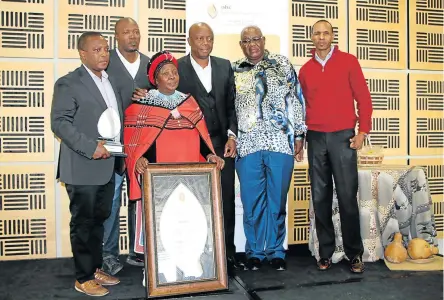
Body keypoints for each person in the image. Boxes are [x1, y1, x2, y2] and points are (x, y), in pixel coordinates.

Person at [132, 22, 241, 273]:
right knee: (192, 205)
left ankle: (226, 256)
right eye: (200, 38)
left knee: (224, 200)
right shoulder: (176, 67)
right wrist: (144, 96)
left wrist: (231, 136)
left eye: (209, 38)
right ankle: (192, 256)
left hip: (221, 145)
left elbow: (231, 105)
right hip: (189, 147)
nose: (205, 43)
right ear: (189, 41)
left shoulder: (225, 66)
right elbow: (160, 92)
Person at [123, 51, 225, 285]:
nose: (171, 77)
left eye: (174, 72)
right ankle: (160, 268)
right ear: (155, 79)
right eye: (165, 73)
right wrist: (138, 158)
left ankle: (189, 263)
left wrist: (209, 154)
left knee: (186, 221)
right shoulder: (143, 103)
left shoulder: (188, 102)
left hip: (189, 176)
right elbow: (138, 141)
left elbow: (201, 138)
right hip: (158, 178)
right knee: (162, 223)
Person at [298, 19, 373, 273]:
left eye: (325, 33)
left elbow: (363, 97)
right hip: (316, 137)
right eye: (317, 33)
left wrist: (363, 131)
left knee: (347, 197)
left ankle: (354, 253)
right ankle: (326, 252)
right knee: (320, 198)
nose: (321, 37)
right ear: (311, 37)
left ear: (332, 36)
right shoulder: (305, 70)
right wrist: (300, 139)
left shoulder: (349, 61)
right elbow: (301, 107)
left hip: (343, 138)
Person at [51, 32, 122, 297]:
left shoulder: (109, 81)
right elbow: (59, 123)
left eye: (105, 49)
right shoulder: (68, 83)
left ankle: (93, 269)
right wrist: (91, 147)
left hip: (107, 167)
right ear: (82, 54)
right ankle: (82, 277)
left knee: (98, 221)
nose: (104, 54)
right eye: (96, 49)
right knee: (83, 223)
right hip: (82, 166)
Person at [232, 25, 306, 271]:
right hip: (248, 144)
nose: (251, 44)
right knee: (251, 202)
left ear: (263, 41)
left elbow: (296, 99)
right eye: (246, 41)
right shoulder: (234, 70)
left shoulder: (282, 64)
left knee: (276, 200)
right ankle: (254, 252)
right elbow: (228, 108)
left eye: (255, 39)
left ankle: (275, 251)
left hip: (279, 142)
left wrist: (299, 134)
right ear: (241, 45)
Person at [101, 17, 150, 275]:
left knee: (139, 200)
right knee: (110, 202)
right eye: (126, 32)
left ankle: (138, 251)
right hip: (113, 145)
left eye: (136, 31)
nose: (132, 36)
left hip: (141, 145)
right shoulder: (105, 61)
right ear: (116, 36)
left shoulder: (149, 64)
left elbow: (162, 96)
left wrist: (149, 96)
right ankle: (108, 254)